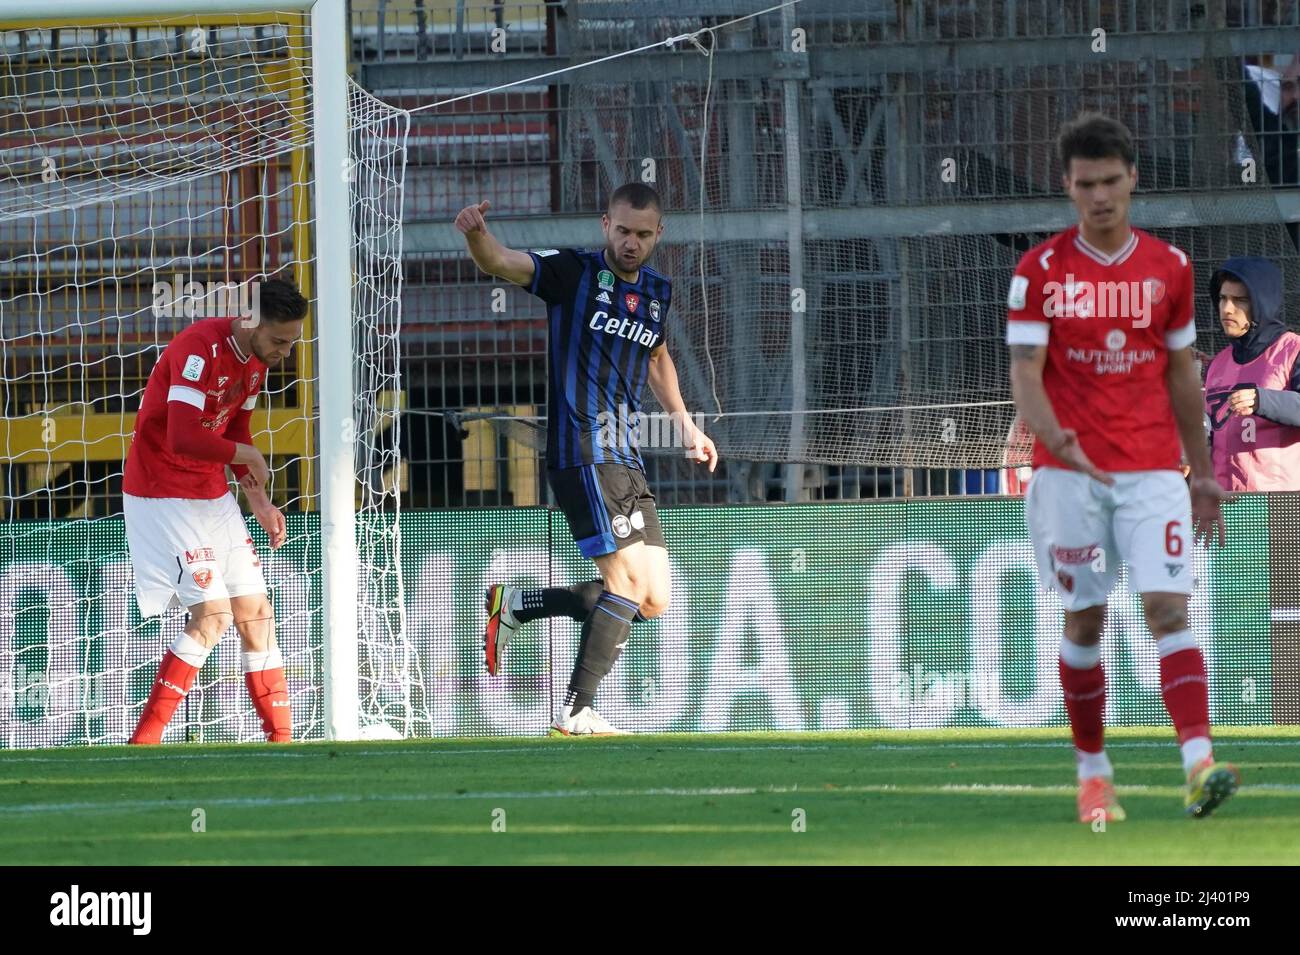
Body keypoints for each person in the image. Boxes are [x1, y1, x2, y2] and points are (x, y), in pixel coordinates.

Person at [1006, 113, 1239, 820]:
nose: (1100, 195)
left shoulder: (1169, 267)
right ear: (1067, 187)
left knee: (1169, 608)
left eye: (1111, 181)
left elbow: (1180, 376)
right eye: (1086, 184)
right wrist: (1056, 437)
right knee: (1086, 621)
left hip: (1152, 470)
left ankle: (1198, 765)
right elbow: (1025, 372)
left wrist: (1200, 473)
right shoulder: (1038, 272)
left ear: (1133, 179)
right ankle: (1093, 772)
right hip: (1069, 473)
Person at [455, 183, 717, 736]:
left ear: (658, 235)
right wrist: (478, 235)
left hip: (627, 457)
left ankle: (517, 605)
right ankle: (575, 710)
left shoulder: (655, 292)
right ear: (606, 224)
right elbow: (501, 262)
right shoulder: (573, 274)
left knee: (654, 599)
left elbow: (658, 357)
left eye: (643, 235)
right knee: (624, 585)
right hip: (583, 452)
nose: (631, 243)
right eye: (622, 231)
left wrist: (687, 424)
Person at [125, 279, 306, 744]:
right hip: (161, 489)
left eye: (292, 342)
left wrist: (259, 500)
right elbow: (182, 436)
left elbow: (237, 426)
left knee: (256, 612)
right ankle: (144, 742)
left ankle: (282, 745)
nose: (285, 352)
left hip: (210, 491)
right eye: (279, 341)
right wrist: (248, 458)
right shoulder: (197, 348)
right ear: (249, 321)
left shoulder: (255, 362)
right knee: (214, 615)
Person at [1204, 257, 1300, 490]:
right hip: (1223, 502)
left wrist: (1262, 400)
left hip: (1278, 504)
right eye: (1223, 298)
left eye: (1240, 300)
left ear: (1262, 304)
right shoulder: (1218, 362)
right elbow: (1212, 433)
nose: (1227, 308)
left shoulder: (1293, 350)